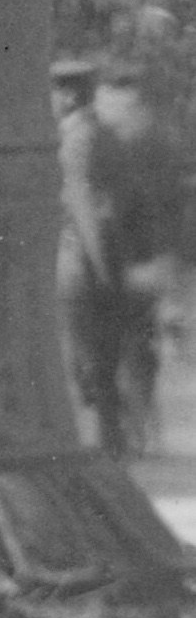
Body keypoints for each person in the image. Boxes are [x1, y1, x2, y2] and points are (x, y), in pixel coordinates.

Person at [59, 47, 193, 458]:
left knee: (109, 355)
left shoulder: (101, 134)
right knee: (114, 355)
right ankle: (124, 435)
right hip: (111, 264)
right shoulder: (100, 135)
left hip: (110, 264)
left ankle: (122, 436)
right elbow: (96, 208)